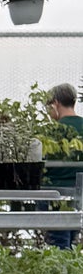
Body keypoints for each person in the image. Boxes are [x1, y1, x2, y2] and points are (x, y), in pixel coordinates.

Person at [44, 84, 83, 245]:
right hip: (80, 194)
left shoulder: (52, 131)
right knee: (72, 241)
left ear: (56, 103)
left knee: (58, 242)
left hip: (55, 193)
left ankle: (61, 271)